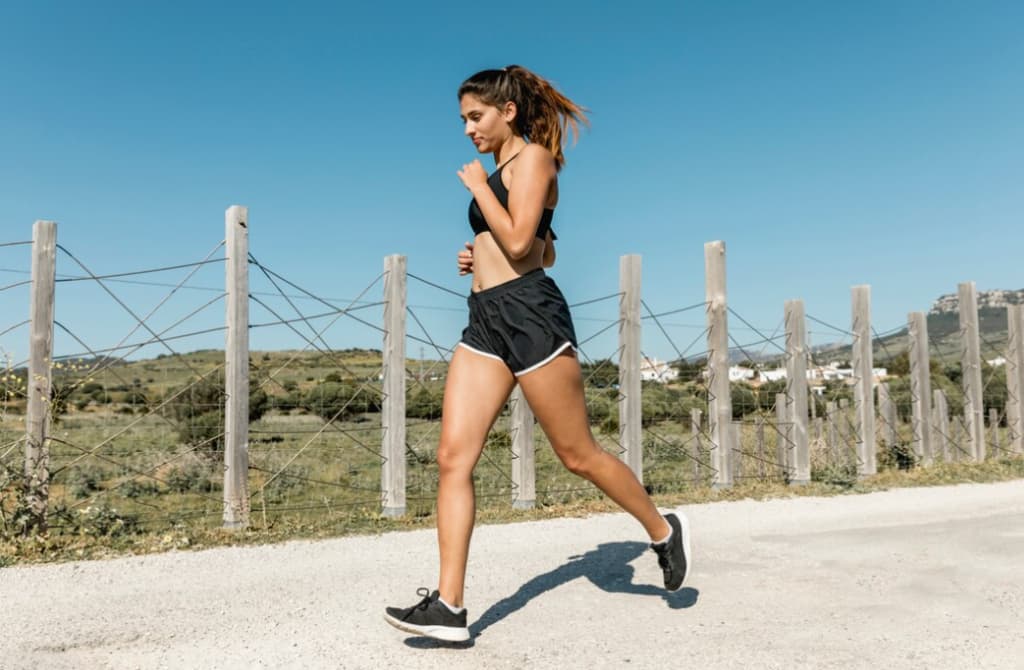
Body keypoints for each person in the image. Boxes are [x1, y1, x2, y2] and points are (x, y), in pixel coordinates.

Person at [384, 65, 691, 643]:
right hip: (485, 320)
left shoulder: (534, 161)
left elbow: (525, 245)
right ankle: (450, 605)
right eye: (463, 120)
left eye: (475, 117)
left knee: (577, 453)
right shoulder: (501, 168)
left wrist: (479, 192)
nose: (468, 129)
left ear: (508, 112)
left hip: (530, 317)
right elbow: (539, 248)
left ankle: (661, 529)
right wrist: (478, 251)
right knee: (453, 457)